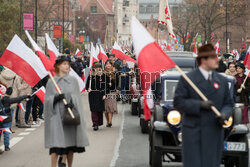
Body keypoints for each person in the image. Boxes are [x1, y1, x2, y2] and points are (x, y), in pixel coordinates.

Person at [174, 44, 234, 167]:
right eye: (213, 57)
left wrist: (224, 114)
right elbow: (179, 102)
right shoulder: (188, 79)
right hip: (194, 132)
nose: (216, 60)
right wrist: (199, 105)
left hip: (214, 132)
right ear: (203, 60)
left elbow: (228, 103)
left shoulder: (222, 81)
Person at [44, 56, 89, 167]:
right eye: (64, 63)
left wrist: (72, 104)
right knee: (55, 146)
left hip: (69, 116)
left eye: (68, 64)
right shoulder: (52, 82)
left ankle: (68, 164)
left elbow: (77, 98)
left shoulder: (73, 81)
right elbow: (47, 101)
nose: (67, 66)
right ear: (58, 65)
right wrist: (55, 99)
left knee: (70, 146)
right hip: (56, 117)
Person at [0, 82, 30, 151]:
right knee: (6, 133)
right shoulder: (7, 99)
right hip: (7, 119)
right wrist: (26, 96)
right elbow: (17, 99)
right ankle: (6, 146)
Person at [86, 62, 105, 131]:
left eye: (98, 67)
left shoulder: (102, 76)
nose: (97, 69)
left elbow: (104, 86)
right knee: (94, 109)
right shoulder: (90, 76)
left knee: (99, 110)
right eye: (96, 67)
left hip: (100, 95)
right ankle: (95, 123)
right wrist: (88, 89)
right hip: (92, 95)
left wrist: (104, 94)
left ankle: (99, 122)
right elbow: (87, 86)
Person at [104, 60, 119, 127]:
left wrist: (117, 88)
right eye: (107, 64)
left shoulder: (115, 73)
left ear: (111, 65)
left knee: (110, 108)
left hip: (112, 91)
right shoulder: (103, 73)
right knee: (105, 109)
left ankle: (110, 122)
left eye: (109, 64)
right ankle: (108, 121)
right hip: (105, 92)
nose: (108, 65)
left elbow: (118, 81)